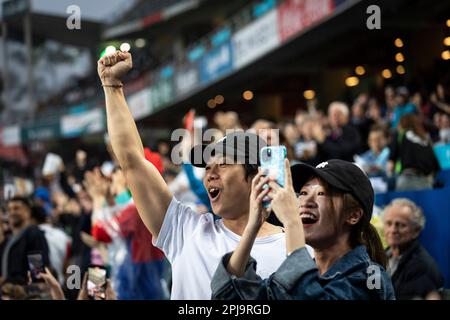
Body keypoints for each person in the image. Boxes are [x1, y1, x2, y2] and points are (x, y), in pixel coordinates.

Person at [97, 51, 288, 299]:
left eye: (224, 164)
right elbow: (132, 162)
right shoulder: (185, 230)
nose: (210, 172)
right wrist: (112, 87)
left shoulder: (297, 250)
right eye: (208, 166)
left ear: (257, 178)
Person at [211, 159, 395, 300]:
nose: (305, 202)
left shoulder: (372, 278)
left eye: (321, 193)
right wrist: (252, 227)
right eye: (303, 193)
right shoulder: (288, 276)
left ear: (353, 215)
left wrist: (292, 222)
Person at [382, 198, 444, 300]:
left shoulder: (422, 266)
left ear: (416, 231)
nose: (393, 230)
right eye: (389, 223)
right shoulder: (381, 256)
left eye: (401, 225)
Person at [0, 196, 50, 285]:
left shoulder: (34, 235)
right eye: (9, 209)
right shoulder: (8, 239)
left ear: (27, 212)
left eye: (16, 209)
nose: (12, 212)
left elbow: (37, 273)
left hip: (26, 294)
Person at [388, 114, 440, 191]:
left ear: (402, 124)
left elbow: (391, 164)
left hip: (406, 180)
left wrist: (390, 177)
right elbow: (436, 167)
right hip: (426, 182)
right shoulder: (425, 139)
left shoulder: (400, 135)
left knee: (404, 203)